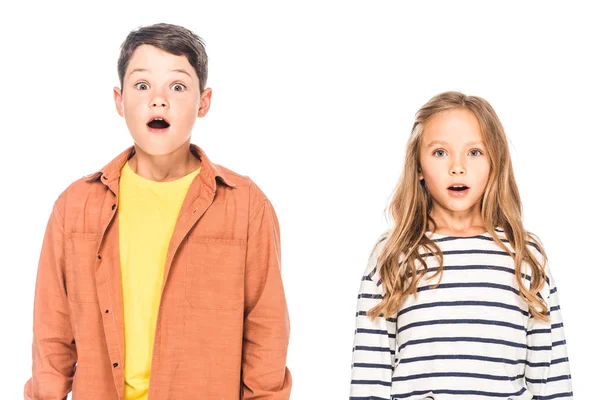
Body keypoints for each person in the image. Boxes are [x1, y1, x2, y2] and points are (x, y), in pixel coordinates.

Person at [24, 23, 291, 400]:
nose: (159, 100)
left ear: (204, 102)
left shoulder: (246, 207)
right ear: (119, 100)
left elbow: (266, 335)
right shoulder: (75, 207)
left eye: (178, 86)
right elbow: (52, 338)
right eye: (142, 85)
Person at [349, 91, 573, 399]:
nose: (457, 167)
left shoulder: (525, 255)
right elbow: (369, 378)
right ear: (417, 167)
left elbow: (551, 381)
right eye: (440, 152)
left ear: (496, 162)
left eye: (475, 152)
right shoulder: (392, 253)